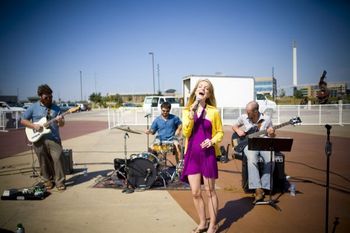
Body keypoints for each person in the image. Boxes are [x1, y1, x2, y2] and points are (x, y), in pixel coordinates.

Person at [181, 79, 223, 233]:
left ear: (209, 93)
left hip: (208, 155)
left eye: (206, 88)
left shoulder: (214, 111)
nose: (203, 89)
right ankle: (202, 222)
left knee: (210, 191)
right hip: (192, 155)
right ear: (196, 91)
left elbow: (220, 132)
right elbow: (186, 133)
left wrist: (212, 141)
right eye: (200, 87)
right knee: (195, 192)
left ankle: (213, 224)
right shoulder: (187, 111)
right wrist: (192, 112)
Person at [21, 84, 66, 191]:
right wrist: (34, 125)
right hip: (38, 138)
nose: (49, 99)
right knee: (43, 161)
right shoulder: (33, 107)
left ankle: (60, 182)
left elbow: (62, 124)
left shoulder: (56, 108)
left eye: (51, 97)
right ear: (40, 96)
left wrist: (60, 121)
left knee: (58, 159)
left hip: (54, 138)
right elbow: (23, 120)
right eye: (47, 97)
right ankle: (47, 181)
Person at [232, 101, 275, 204]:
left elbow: (272, 136)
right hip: (249, 144)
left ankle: (264, 186)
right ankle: (257, 189)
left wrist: (272, 133)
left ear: (255, 111)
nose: (247, 114)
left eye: (249, 112)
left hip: (264, 144)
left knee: (271, 160)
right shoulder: (243, 117)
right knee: (252, 159)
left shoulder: (267, 119)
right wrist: (238, 131)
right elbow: (234, 126)